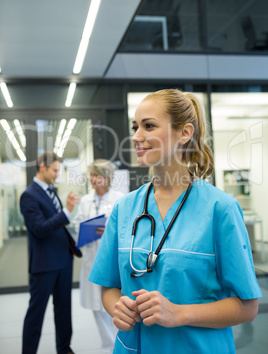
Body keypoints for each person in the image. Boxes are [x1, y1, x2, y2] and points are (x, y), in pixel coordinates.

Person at [89, 89, 262, 354]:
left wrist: (180, 313)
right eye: (135, 127)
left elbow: (247, 306)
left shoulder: (221, 209)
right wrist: (117, 307)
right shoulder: (125, 209)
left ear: (185, 133)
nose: (136, 136)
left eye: (149, 126)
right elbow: (109, 286)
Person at [20, 152, 79, 354]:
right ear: (42, 167)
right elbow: (40, 229)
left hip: (63, 260)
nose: (57, 174)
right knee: (36, 314)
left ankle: (64, 348)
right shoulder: (29, 196)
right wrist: (67, 212)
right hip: (44, 264)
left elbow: (57, 226)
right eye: (55, 170)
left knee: (64, 310)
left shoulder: (51, 192)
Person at [73, 159, 124, 354]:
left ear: (107, 178)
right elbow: (77, 224)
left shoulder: (120, 199)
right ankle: (108, 346)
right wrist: (87, 229)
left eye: (96, 175)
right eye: (91, 175)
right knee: (96, 307)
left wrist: (107, 230)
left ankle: (118, 346)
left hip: (111, 259)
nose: (92, 179)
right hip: (91, 257)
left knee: (113, 306)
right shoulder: (86, 200)